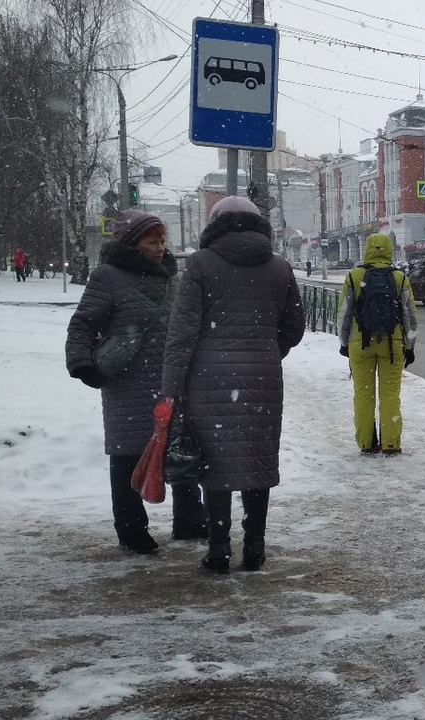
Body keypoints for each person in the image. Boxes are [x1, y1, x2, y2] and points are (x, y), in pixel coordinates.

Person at [162, 196, 305, 574]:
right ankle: (255, 547)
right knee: (257, 460)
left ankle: (218, 549)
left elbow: (181, 333)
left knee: (216, 464)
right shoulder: (279, 267)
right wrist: (266, 352)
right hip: (263, 377)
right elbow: (294, 328)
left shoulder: (200, 264)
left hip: (208, 379)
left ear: (214, 225)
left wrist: (171, 387)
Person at [65, 210, 208, 555]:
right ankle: (131, 529)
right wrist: (82, 363)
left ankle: (189, 520)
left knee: (179, 448)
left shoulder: (172, 277)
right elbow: (83, 323)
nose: (160, 248)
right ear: (133, 242)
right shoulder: (108, 277)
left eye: (162, 241)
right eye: (152, 241)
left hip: (172, 380)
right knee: (129, 453)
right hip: (127, 382)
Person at [338, 233, 418, 455]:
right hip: (392, 345)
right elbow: (409, 316)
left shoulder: (354, 276)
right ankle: (391, 443)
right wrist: (410, 347)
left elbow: (344, 314)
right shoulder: (400, 278)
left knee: (363, 394)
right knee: (390, 394)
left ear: (367, 249)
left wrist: (344, 343)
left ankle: (366, 442)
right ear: (389, 251)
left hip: (359, 343)